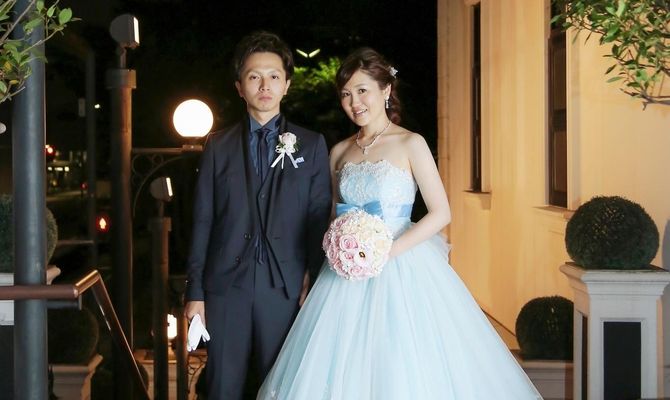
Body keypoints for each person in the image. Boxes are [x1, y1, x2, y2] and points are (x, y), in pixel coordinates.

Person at [257, 47, 543, 399]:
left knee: (399, 359)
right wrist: (337, 250)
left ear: (386, 90)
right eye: (346, 94)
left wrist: (386, 252)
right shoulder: (339, 152)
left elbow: (441, 212)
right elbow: (333, 215)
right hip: (345, 272)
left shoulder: (410, 143)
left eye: (362, 90)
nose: (354, 102)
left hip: (401, 263)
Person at [184, 31, 332, 400]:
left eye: (273, 76)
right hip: (225, 285)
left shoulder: (311, 145)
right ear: (239, 86)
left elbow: (318, 216)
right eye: (254, 76)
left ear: (287, 84)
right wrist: (195, 292)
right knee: (221, 386)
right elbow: (202, 220)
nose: (264, 86)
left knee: (281, 386)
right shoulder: (217, 145)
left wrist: (314, 278)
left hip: (286, 285)